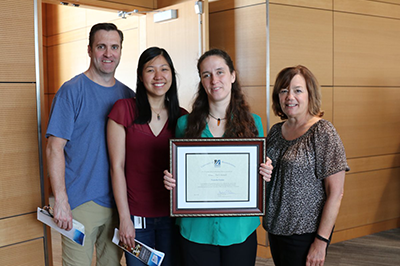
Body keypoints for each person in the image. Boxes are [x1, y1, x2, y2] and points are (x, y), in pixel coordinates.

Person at [163, 48, 273, 266]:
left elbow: (255, 175)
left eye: (220, 72)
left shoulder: (254, 124)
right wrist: (172, 180)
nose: (214, 80)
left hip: (239, 228)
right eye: (206, 75)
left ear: (232, 76)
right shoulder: (185, 125)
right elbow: (181, 174)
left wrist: (265, 172)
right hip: (196, 230)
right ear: (202, 82)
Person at [46, 23, 135, 265]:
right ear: (89, 50)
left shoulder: (129, 96)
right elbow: (54, 148)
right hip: (81, 203)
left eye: (114, 47)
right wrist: (61, 200)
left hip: (118, 204)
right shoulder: (71, 91)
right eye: (101, 47)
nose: (108, 53)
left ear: (120, 50)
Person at [107, 47, 187, 266]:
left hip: (173, 218)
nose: (158, 76)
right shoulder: (123, 110)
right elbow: (116, 167)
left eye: (164, 69)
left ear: (172, 74)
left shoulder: (183, 117)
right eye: (150, 70)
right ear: (141, 77)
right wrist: (124, 218)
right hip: (136, 218)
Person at [263, 65, 349, 266]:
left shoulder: (323, 132)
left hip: (306, 234)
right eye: (283, 91)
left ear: (310, 94)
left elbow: (336, 193)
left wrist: (321, 242)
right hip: (275, 230)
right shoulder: (275, 132)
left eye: (297, 90)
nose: (289, 97)